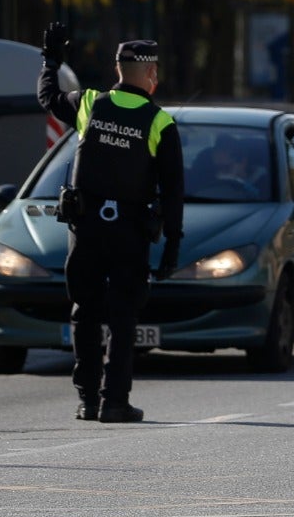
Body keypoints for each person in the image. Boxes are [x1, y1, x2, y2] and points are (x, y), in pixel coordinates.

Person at [38, 24, 184, 424]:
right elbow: (173, 192)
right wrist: (172, 247)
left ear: (117, 69)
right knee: (122, 318)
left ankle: (87, 400)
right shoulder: (160, 123)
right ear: (151, 73)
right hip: (129, 234)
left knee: (85, 311)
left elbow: (48, 97)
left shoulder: (89, 104)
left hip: (86, 229)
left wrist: (51, 61)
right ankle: (114, 402)